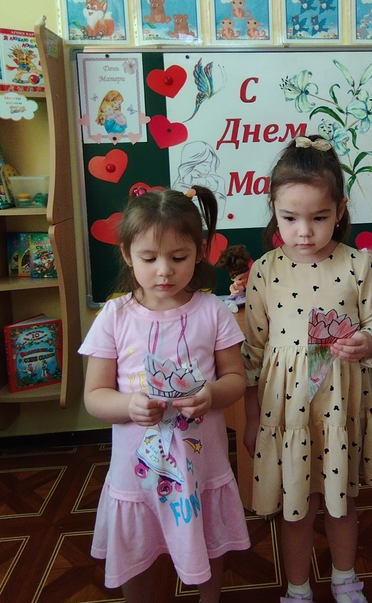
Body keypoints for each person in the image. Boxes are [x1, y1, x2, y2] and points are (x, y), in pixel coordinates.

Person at [79, 186, 250, 603]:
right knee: (136, 549)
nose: (164, 272)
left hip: (200, 467)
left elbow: (236, 379)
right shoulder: (114, 316)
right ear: (127, 254)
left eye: (178, 257)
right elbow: (95, 396)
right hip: (136, 474)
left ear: (200, 252)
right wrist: (128, 405)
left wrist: (211, 394)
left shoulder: (213, 311)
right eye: (149, 259)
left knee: (208, 541)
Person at [242, 135, 372, 603]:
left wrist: (366, 340)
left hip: (341, 408)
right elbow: (252, 352)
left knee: (340, 502)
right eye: (290, 218)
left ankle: (345, 579)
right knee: (295, 505)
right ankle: (298, 587)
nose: (304, 231)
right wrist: (251, 417)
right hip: (287, 415)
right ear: (274, 209)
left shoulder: (358, 264)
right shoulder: (264, 269)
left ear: (340, 210)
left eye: (319, 218)